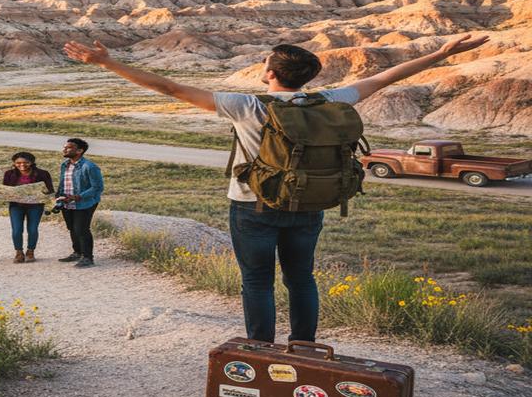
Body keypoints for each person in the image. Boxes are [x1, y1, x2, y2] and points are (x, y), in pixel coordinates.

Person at [63, 34, 490, 341]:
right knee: (301, 279)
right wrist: (440, 54)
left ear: (269, 73)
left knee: (257, 281)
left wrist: (106, 63)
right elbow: (384, 79)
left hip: (253, 206)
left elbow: (169, 87)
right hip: (309, 204)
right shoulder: (331, 100)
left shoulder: (247, 106)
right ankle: (303, 345)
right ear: (306, 77)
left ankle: (260, 350)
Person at [55, 138, 104, 268]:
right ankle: (77, 252)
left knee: (81, 229)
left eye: (69, 147)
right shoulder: (65, 165)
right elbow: (64, 182)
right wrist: (58, 195)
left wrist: (77, 197)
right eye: (65, 147)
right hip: (66, 201)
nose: (64, 149)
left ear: (80, 151)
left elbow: (97, 187)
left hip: (85, 203)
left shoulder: (90, 166)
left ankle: (88, 258)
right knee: (72, 228)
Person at [2, 151, 54, 263]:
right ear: (14, 163)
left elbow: (50, 190)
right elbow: (5, 189)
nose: (22, 165)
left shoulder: (42, 173)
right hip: (16, 205)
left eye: (26, 162)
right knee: (17, 230)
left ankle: (30, 251)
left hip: (35, 205)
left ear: (32, 162)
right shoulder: (9, 174)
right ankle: (19, 252)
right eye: (18, 163)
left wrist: (42, 192)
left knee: (32, 229)